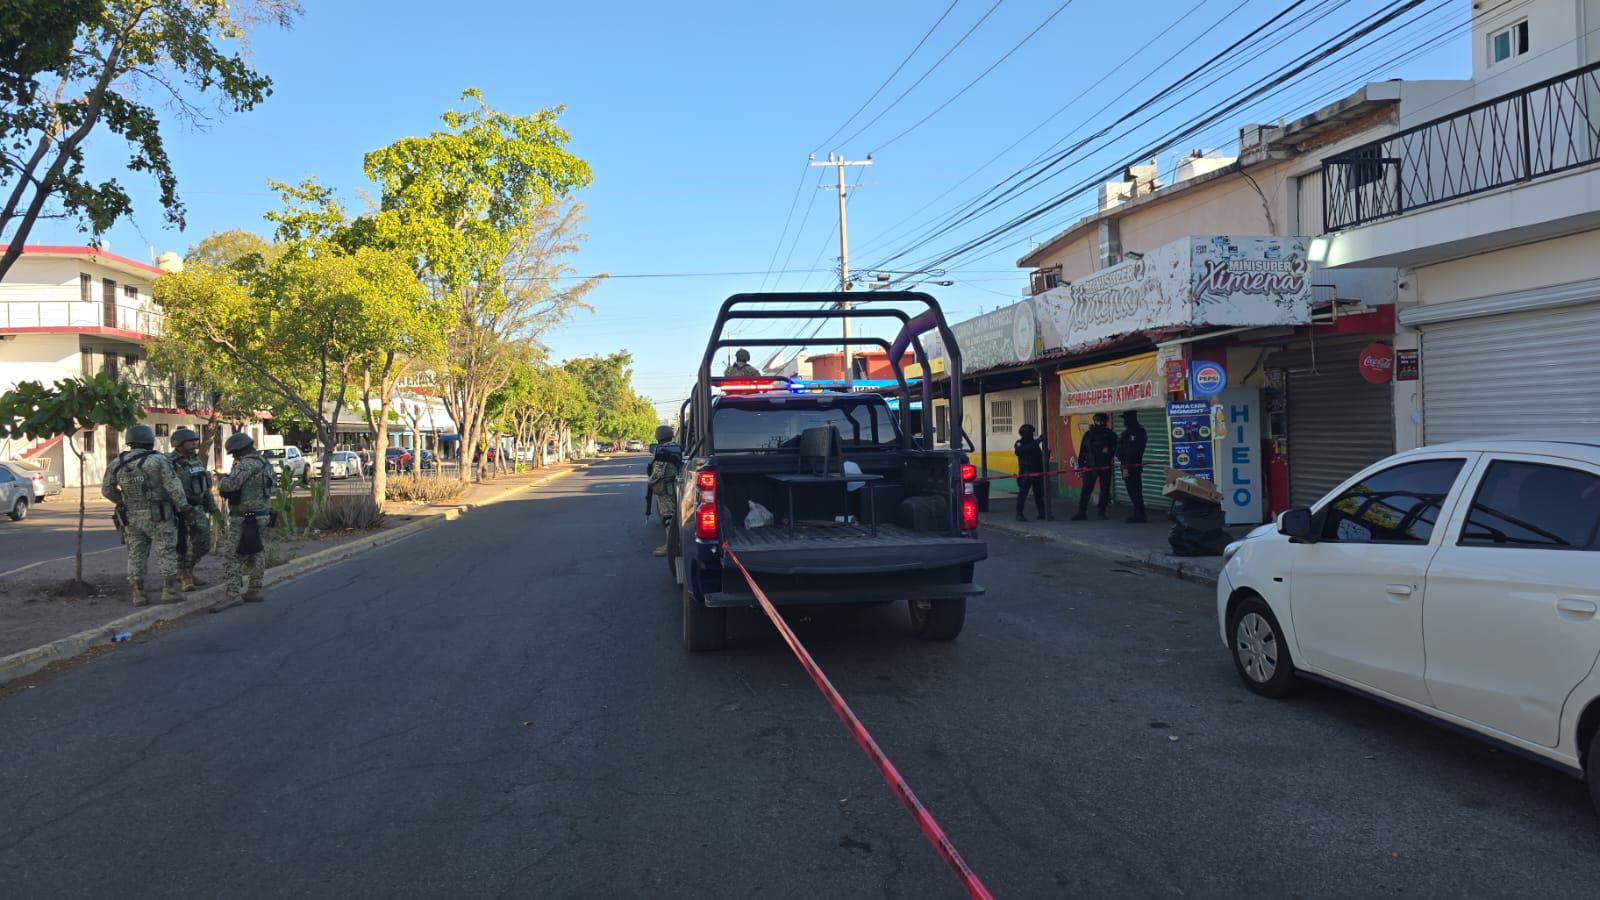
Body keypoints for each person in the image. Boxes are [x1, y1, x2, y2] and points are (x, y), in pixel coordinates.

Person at [101, 424, 189, 606]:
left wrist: (124, 501)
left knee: (136, 553)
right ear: (150, 440)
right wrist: (183, 507)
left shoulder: (117, 462)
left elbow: (107, 490)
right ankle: (169, 590)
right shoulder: (158, 460)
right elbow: (174, 486)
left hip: (130, 516)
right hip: (159, 515)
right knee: (166, 551)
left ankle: (138, 593)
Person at [213, 432, 277, 612]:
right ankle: (255, 589)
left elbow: (229, 485)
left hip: (244, 517)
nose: (233, 456)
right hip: (262, 514)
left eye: (234, 453)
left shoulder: (246, 465)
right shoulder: (265, 463)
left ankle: (232, 595)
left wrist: (222, 480)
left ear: (239, 451)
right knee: (257, 551)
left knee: (232, 555)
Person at [168, 427, 218, 590]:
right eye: (190, 441)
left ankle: (186, 570)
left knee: (203, 542)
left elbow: (205, 486)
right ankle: (184, 575)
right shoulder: (170, 462)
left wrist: (212, 507)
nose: (194, 443)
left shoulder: (196, 460)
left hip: (196, 507)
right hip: (179, 509)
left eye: (195, 440)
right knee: (181, 544)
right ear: (179, 444)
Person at [1072, 412, 1118, 521]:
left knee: (1105, 490)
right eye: (1098, 421)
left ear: (1105, 422)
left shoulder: (1110, 434)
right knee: (1086, 489)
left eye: (1101, 421)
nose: (1099, 423)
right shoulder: (1089, 434)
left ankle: (1101, 511)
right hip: (1090, 465)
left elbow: (1117, 448)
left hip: (1105, 465)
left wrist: (1110, 451)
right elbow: (1082, 451)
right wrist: (1081, 466)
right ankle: (1081, 512)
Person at [646, 425, 681, 556]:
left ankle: (670, 546)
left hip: (666, 490)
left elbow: (658, 473)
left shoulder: (664, 450)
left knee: (668, 518)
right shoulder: (675, 446)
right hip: (675, 486)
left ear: (659, 436)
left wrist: (649, 481)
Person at [1013, 424, 1051, 522]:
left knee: (1039, 493)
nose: (1032, 434)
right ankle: (1019, 514)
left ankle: (1042, 513)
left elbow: (1039, 457)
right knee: (1023, 494)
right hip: (1026, 472)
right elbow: (1021, 450)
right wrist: (1038, 440)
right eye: (1030, 432)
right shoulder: (1019, 443)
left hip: (1037, 472)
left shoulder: (1034, 444)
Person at [1117, 410, 1150, 523]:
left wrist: (1126, 467)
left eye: (1125, 419)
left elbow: (1131, 452)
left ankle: (1139, 515)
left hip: (1130, 466)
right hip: (1133, 465)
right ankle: (1140, 513)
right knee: (1136, 490)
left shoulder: (1133, 432)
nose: (1124, 421)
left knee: (1133, 491)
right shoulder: (1139, 430)